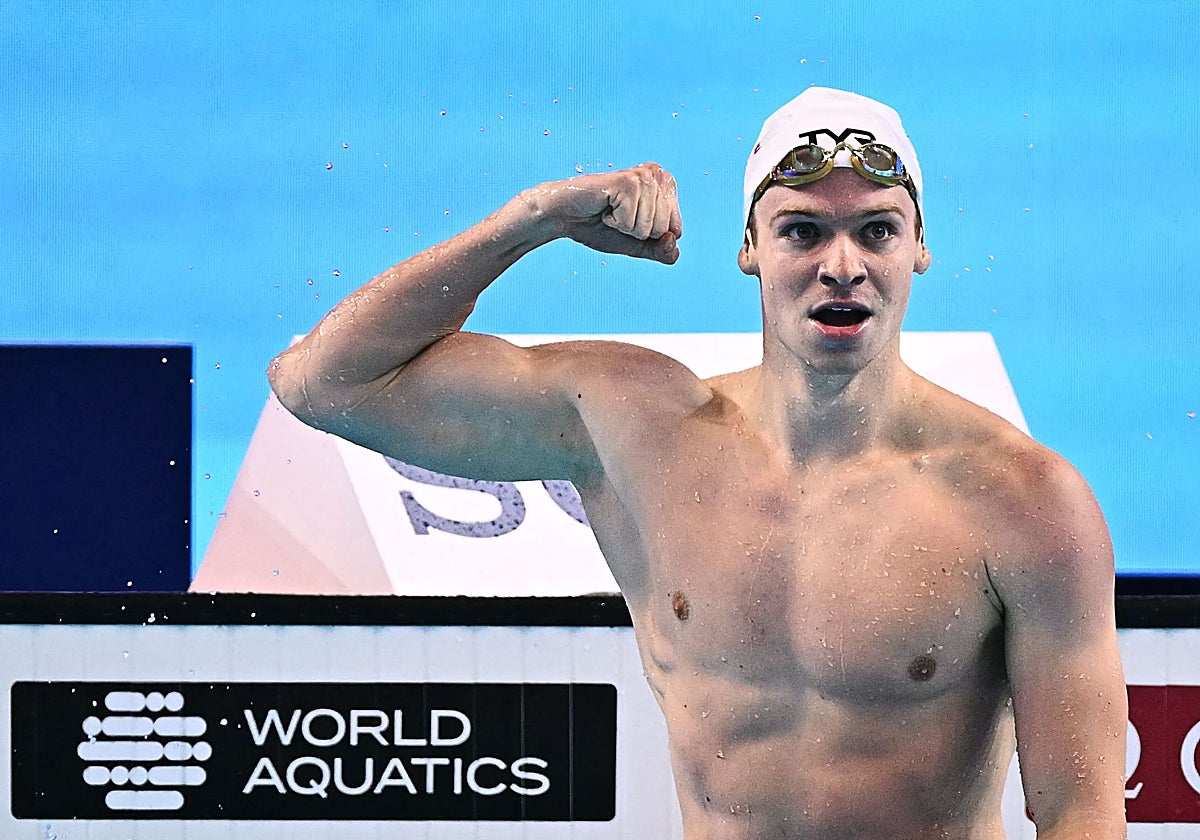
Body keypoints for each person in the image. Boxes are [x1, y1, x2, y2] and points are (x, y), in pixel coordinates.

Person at [268, 87, 1128, 838]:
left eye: (876, 232)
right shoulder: (638, 428)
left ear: (919, 248)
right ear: (750, 247)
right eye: (802, 231)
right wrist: (532, 221)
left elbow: (1082, 814)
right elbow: (322, 382)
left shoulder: (1023, 499)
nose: (842, 267)